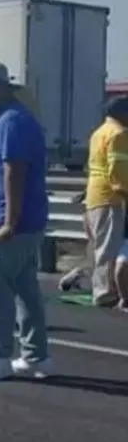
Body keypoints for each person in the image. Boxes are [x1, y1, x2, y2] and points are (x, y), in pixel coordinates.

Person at [0, 62, 51, 382]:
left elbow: (14, 172)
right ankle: (35, 356)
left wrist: (8, 222)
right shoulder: (8, 119)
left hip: (8, 221)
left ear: (2, 87)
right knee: (25, 290)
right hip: (26, 221)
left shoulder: (11, 122)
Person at [82, 96, 128, 308]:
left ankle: (100, 288)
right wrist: (123, 192)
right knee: (108, 247)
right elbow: (117, 169)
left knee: (100, 245)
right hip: (110, 196)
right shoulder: (119, 133)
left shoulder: (99, 132)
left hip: (95, 194)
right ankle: (105, 293)